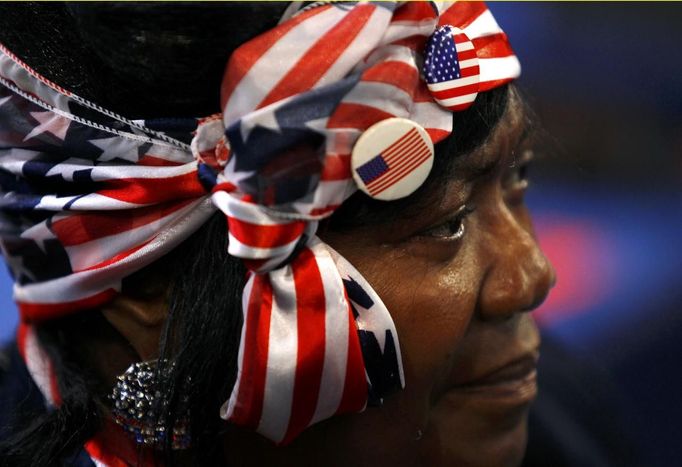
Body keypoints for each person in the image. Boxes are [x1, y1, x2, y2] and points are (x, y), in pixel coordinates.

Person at [0, 2, 555, 466]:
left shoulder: (562, 418)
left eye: (519, 177)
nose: (531, 276)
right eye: (445, 224)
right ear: (149, 290)